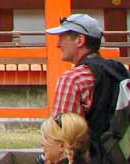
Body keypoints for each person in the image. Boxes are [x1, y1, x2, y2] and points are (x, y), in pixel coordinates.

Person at [47, 13, 128, 160]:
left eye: (62, 38)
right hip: (118, 154)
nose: (57, 44)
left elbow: (61, 138)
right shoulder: (119, 71)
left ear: (80, 40)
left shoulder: (73, 79)